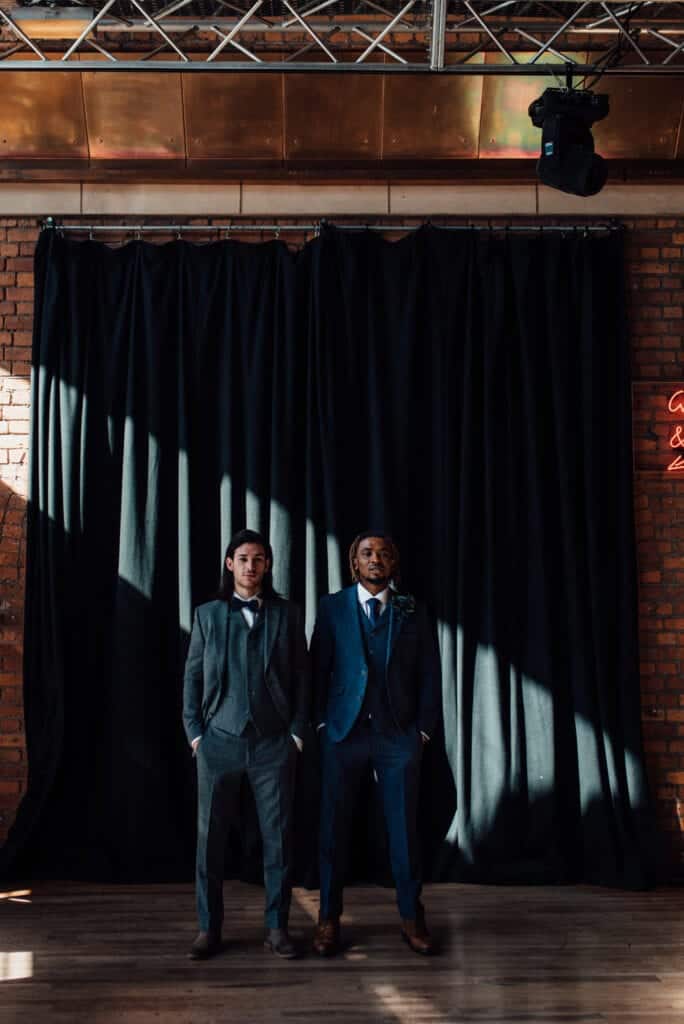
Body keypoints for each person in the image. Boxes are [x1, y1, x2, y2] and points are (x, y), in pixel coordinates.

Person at [311, 531, 441, 957]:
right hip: (343, 734)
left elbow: (429, 673)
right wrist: (319, 725)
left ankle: (411, 917)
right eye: (367, 553)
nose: (375, 559)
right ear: (354, 563)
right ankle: (328, 919)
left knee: (404, 830)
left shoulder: (410, 608)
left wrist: (422, 730)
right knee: (332, 829)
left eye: (384, 553)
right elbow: (318, 670)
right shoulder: (332, 607)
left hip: (397, 734)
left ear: (393, 563)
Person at [183, 528, 309, 960]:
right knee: (209, 842)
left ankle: (277, 928)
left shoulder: (288, 615)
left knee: (279, 839)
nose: (251, 566)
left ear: (267, 565)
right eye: (243, 558)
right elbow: (193, 677)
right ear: (229, 563)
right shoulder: (207, 615)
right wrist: (196, 733)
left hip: (274, 743)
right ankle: (208, 928)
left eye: (259, 559)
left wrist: (296, 734)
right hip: (218, 741)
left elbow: (302, 679)